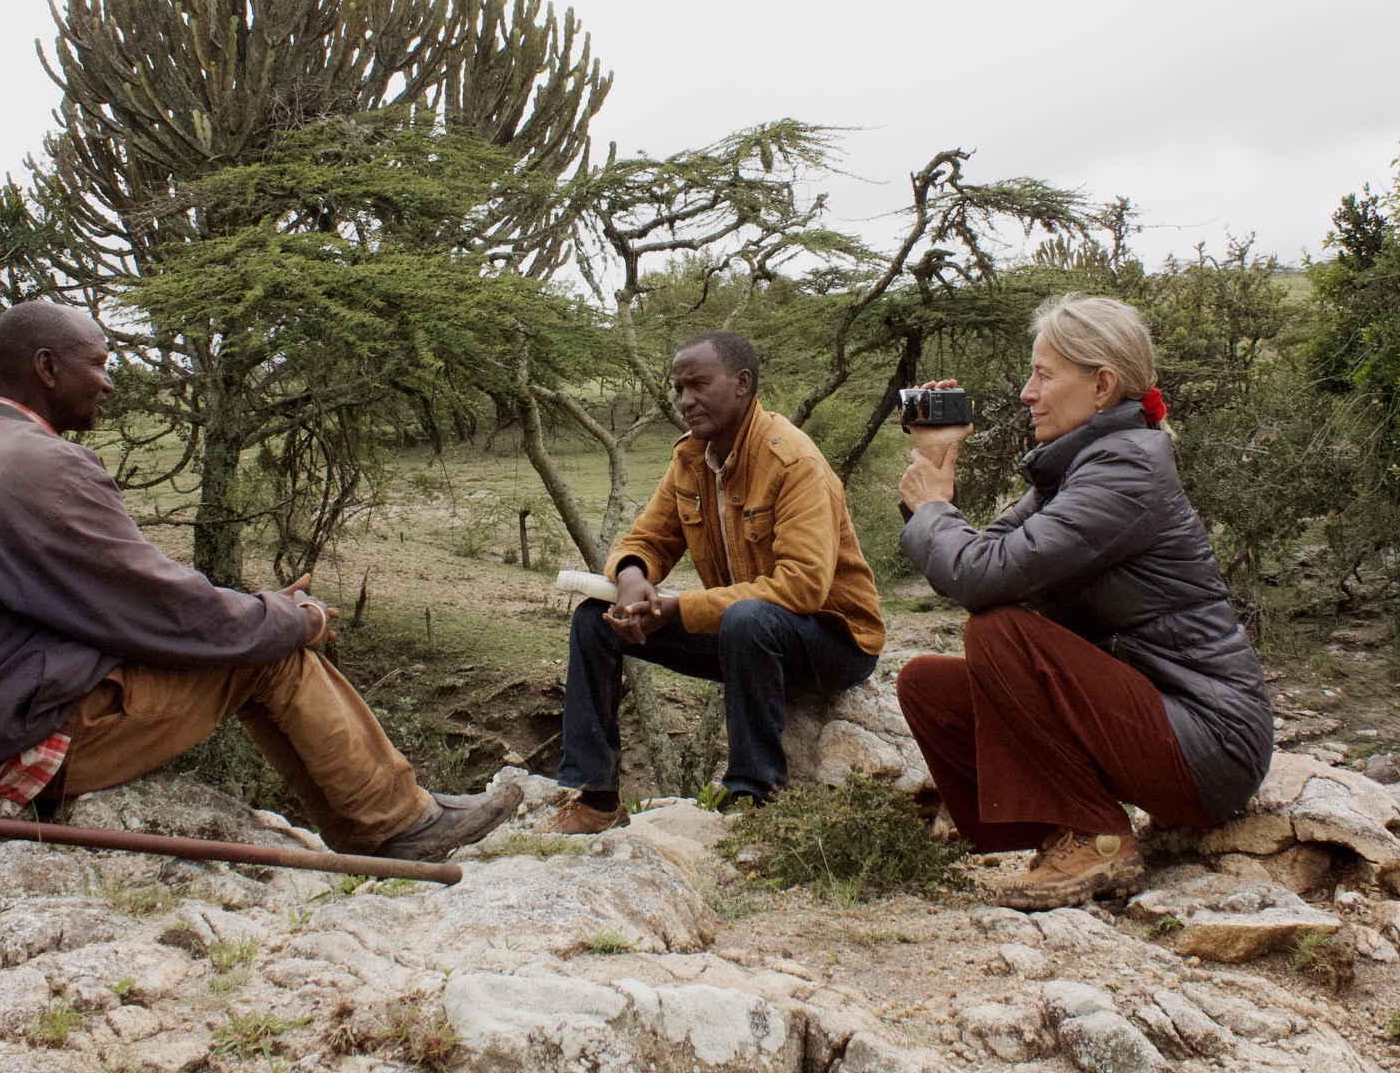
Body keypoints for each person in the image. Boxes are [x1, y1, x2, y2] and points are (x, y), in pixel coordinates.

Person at [0, 301, 519, 862]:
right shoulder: (45, 467)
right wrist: (292, 617)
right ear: (48, 367)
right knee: (272, 659)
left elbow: (121, 603)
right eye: (99, 364)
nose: (108, 382)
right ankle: (400, 824)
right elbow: (160, 607)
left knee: (255, 640)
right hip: (18, 741)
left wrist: (257, 612)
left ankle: (376, 823)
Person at [894, 293, 1271, 910]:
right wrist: (938, 465)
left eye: (1043, 375)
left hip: (1211, 741)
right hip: (1154, 719)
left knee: (998, 633)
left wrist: (936, 509)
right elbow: (971, 565)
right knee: (927, 688)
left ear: (1102, 385)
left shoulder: (1125, 472)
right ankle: (1058, 830)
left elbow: (983, 579)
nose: (1026, 393)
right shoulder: (1079, 468)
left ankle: (1099, 840)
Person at [540, 330, 887, 832]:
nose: (686, 400)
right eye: (680, 388)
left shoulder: (794, 461)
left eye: (699, 384)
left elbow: (803, 588)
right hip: (745, 638)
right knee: (595, 619)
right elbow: (649, 539)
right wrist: (634, 577)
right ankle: (595, 799)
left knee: (748, 619)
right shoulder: (690, 459)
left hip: (832, 640)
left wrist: (678, 607)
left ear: (742, 383)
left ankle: (754, 795)